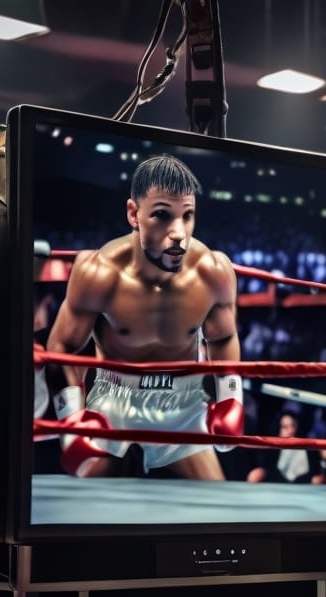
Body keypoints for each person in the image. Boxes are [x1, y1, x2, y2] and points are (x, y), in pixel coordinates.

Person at [45, 154, 242, 480]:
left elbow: (223, 337)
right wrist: (71, 422)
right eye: (163, 215)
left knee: (218, 512)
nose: (179, 233)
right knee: (83, 514)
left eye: (188, 215)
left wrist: (230, 399)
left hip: (183, 404)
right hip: (114, 401)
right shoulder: (100, 272)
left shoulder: (213, 271)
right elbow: (62, 345)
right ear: (134, 214)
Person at [246, 411, 320, 484]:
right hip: (278, 487)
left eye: (293, 425)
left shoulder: (309, 447)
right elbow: (267, 469)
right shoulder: (272, 449)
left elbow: (317, 472)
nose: (290, 430)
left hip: (304, 487)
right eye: (285, 427)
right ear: (279, 429)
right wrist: (260, 472)